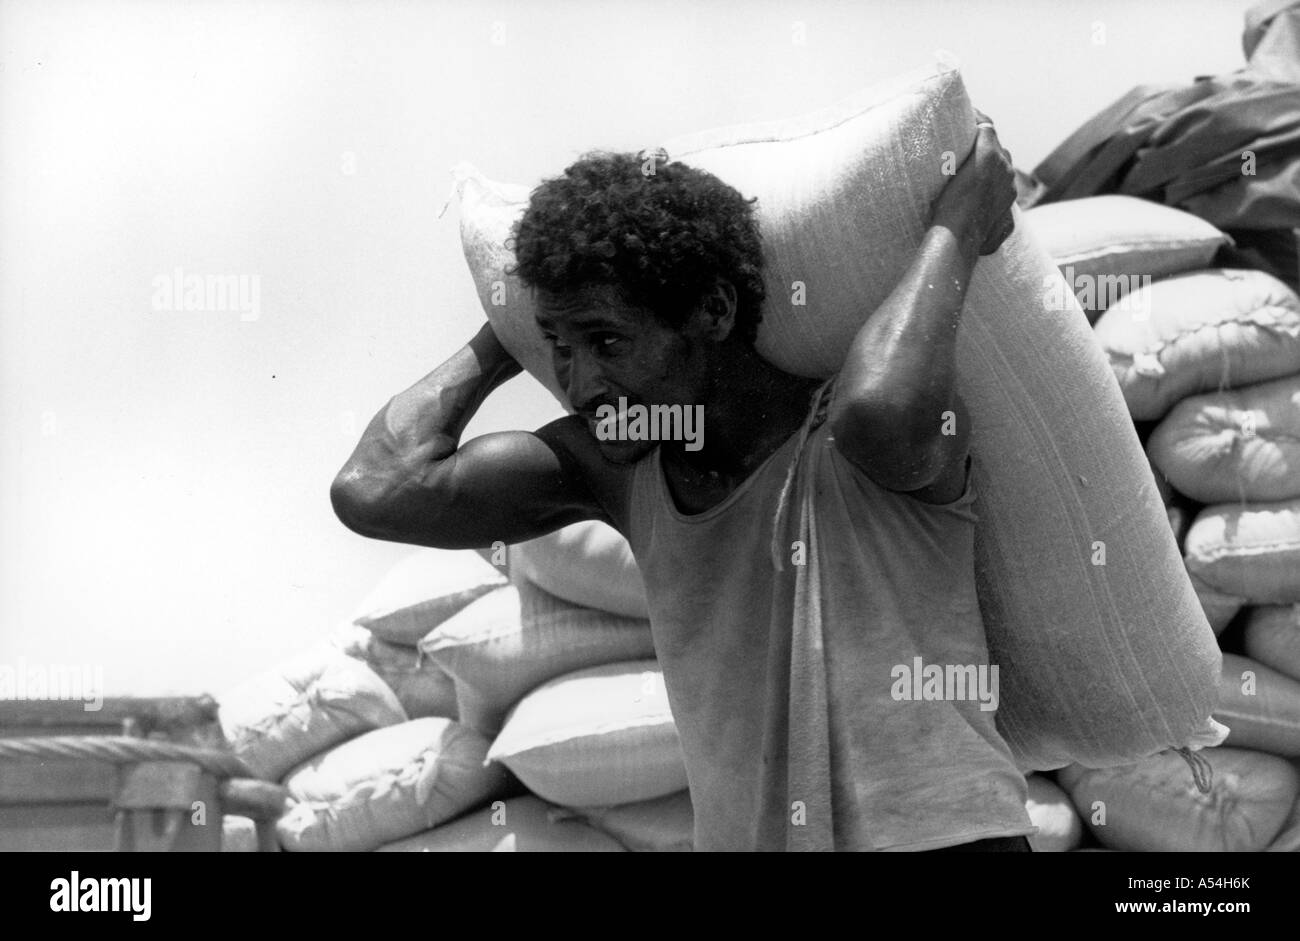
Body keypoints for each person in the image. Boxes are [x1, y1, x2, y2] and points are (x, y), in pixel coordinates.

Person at [331, 113, 1037, 851]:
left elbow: (882, 407)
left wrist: (958, 226)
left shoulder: (855, 437)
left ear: (713, 309)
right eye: (561, 351)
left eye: (606, 341)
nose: (580, 385)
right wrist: (506, 334)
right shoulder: (617, 471)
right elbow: (377, 487)